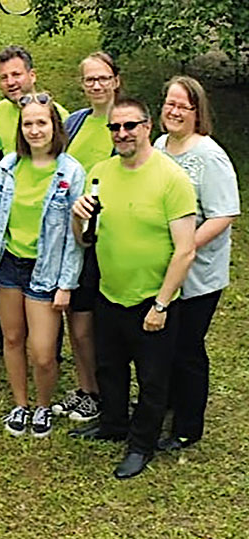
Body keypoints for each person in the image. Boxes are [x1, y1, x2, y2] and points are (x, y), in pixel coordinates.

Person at [70, 97, 196, 479]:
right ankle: (112, 423)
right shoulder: (101, 172)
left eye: (130, 126)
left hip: (152, 300)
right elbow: (86, 240)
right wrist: (78, 219)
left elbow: (186, 250)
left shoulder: (171, 179)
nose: (122, 134)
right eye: (115, 127)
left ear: (147, 128)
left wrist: (160, 305)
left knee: (153, 378)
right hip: (110, 293)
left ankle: (141, 445)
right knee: (109, 367)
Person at [0, 93, 85, 437]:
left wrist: (66, 283)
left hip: (45, 271)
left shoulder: (70, 171)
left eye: (42, 123)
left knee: (44, 352)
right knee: (13, 338)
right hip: (7, 265)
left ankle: (43, 405)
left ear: (54, 126)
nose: (35, 130)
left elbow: (74, 237)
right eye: (28, 124)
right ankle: (21, 404)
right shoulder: (7, 166)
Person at [0, 45, 69, 363]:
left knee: (43, 282)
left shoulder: (53, 112)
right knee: (0, 276)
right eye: (4, 77)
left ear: (32, 75)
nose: (10, 82)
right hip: (2, 210)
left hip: (41, 213)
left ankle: (48, 349)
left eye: (17, 74)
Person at [153, 76, 240, 451]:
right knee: (165, 342)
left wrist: (184, 248)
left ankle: (188, 427)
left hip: (198, 274)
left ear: (196, 112)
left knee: (187, 347)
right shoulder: (158, 146)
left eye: (182, 106)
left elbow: (223, 215)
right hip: (164, 268)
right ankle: (168, 401)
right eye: (168, 103)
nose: (173, 111)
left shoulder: (209, 156)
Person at [51, 52, 121, 423]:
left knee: (96, 322)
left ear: (115, 81)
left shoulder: (125, 124)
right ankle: (86, 387)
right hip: (72, 234)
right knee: (76, 318)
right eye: (89, 79)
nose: (96, 85)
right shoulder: (74, 122)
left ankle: (105, 391)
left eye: (102, 78)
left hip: (109, 238)